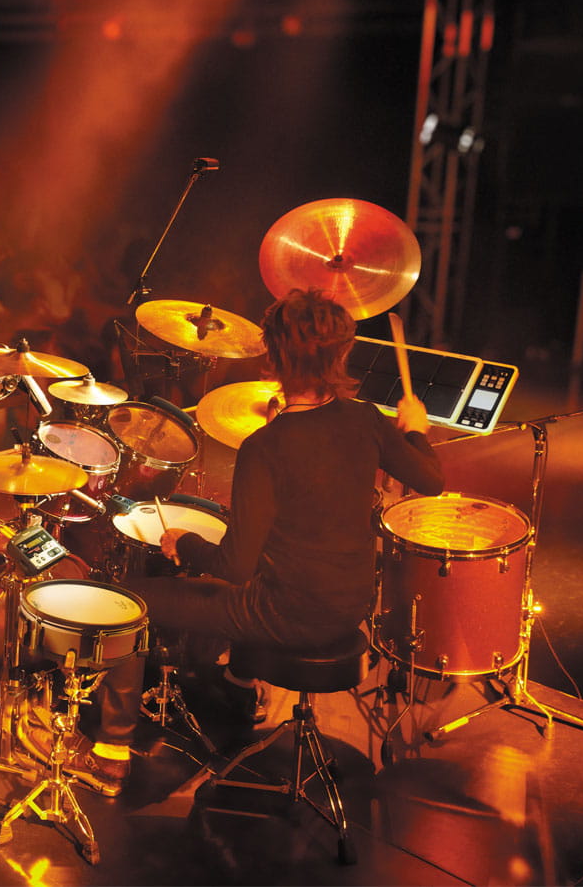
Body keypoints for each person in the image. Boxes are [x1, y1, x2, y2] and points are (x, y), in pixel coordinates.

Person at [67, 288, 445, 797]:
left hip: (288, 614)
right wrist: (416, 429)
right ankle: (238, 688)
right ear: (342, 354)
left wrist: (183, 542)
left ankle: (110, 755)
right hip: (351, 606)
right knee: (271, 565)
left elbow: (234, 566)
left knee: (129, 602)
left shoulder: (265, 446)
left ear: (273, 357)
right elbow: (431, 480)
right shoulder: (366, 420)